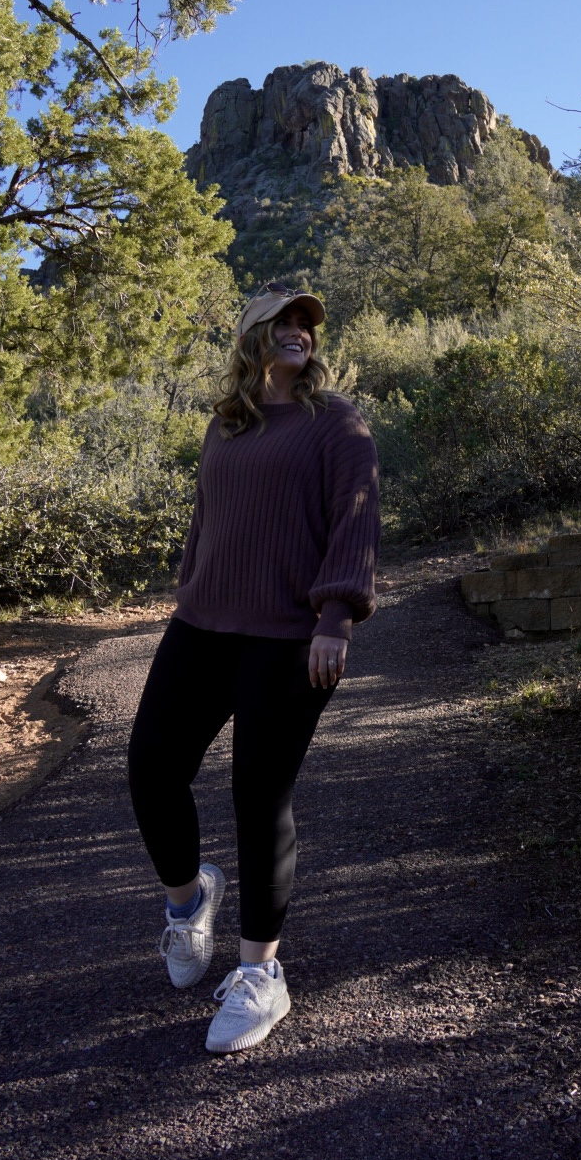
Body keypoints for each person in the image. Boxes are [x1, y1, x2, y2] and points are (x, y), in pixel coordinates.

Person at [127, 284, 380, 1054]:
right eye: (284, 321)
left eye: (307, 324)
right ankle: (188, 902)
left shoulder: (336, 423)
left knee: (257, 794)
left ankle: (260, 976)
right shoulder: (225, 425)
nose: (299, 331)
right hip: (203, 626)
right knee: (151, 768)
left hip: (288, 638)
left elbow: (357, 517)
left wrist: (335, 617)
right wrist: (188, 585)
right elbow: (206, 519)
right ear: (252, 337)